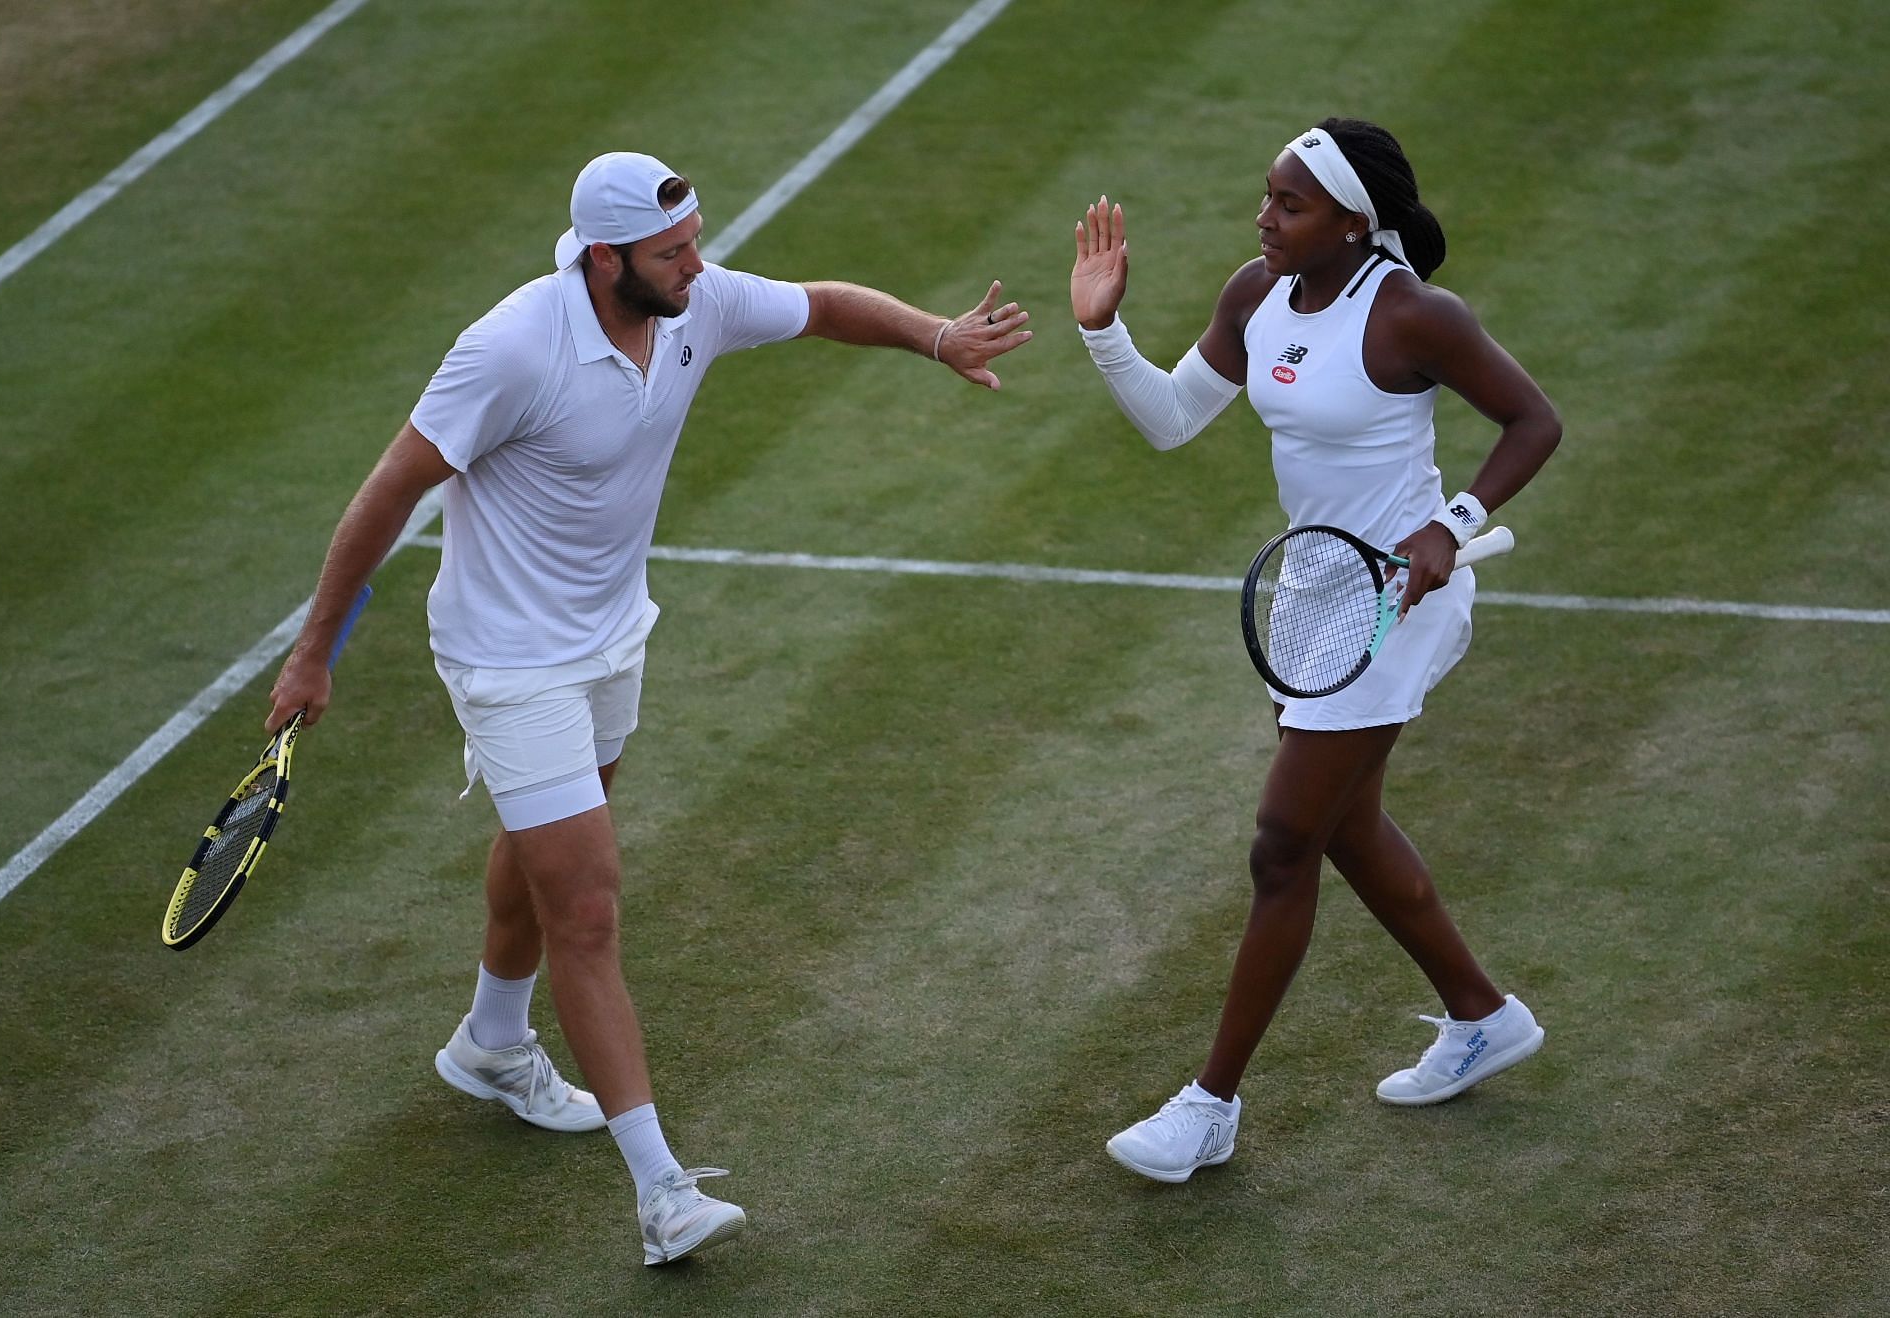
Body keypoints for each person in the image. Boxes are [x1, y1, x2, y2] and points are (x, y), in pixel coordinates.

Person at [266, 150, 1032, 1261]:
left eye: (697, 240)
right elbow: (389, 492)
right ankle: (662, 1190)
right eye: (674, 250)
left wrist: (935, 335)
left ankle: (489, 1041)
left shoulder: (693, 302)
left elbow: (821, 306)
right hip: (508, 657)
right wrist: (313, 652)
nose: (698, 262)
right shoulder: (510, 348)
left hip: (611, 639)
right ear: (607, 255)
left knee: (547, 849)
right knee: (586, 907)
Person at [1070, 119, 1562, 1183]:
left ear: (1354, 222)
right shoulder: (1256, 292)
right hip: (1312, 598)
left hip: (1398, 603)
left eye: (1290, 205)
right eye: (1267, 197)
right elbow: (1168, 419)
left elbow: (1533, 419)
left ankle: (1210, 1105)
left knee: (1283, 841)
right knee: (1344, 828)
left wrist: (1455, 520)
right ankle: (1482, 1015)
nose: (1265, 218)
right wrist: (1104, 330)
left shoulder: (1414, 316)